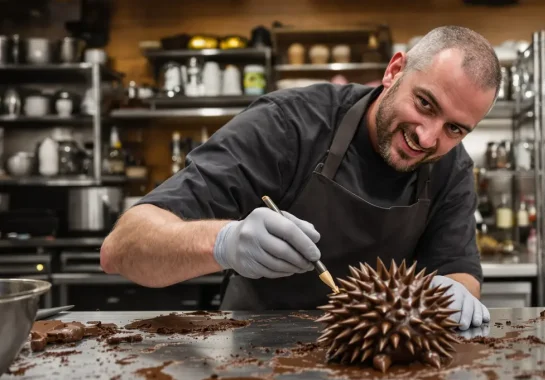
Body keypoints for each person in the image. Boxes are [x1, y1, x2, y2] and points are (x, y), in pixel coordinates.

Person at [100, 25, 500, 330]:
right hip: (254, 360)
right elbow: (121, 248)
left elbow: (457, 267)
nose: (428, 137)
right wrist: (224, 242)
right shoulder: (288, 125)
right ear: (394, 71)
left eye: (456, 129)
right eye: (425, 103)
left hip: (379, 363)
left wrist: (457, 292)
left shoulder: (451, 164)